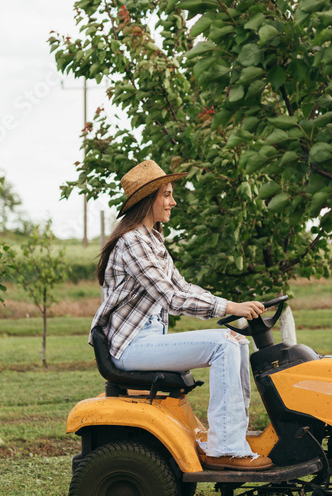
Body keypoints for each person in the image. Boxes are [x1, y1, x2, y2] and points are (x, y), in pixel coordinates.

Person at [89, 160, 273, 471]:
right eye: (167, 195)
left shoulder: (152, 241)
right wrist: (230, 307)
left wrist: (231, 304)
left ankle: (234, 440)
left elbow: (182, 286)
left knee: (236, 341)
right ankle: (224, 449)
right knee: (224, 344)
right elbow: (171, 298)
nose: (173, 202)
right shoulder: (134, 242)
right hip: (130, 347)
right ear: (149, 200)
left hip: (147, 339)